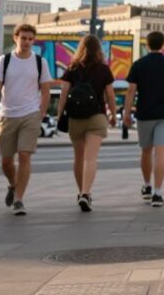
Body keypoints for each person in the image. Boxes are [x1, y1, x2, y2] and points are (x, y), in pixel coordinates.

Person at [0, 24, 52, 216]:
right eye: (23, 38)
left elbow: (46, 89)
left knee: (25, 155)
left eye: (30, 39)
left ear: (34, 41)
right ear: (15, 38)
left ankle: (19, 199)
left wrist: (41, 111)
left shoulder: (40, 62)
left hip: (30, 114)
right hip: (7, 114)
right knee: (6, 161)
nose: (26, 42)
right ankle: (12, 184)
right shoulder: (4, 60)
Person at [56, 35, 117, 212]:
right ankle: (85, 192)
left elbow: (64, 93)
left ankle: (80, 191)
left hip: (75, 118)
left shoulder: (72, 68)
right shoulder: (104, 70)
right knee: (91, 158)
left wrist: (60, 114)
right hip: (96, 117)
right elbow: (110, 96)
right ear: (99, 49)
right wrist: (113, 114)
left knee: (78, 157)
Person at [124, 31, 164, 207]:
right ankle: (158, 193)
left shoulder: (138, 65)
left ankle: (147, 185)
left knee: (145, 151)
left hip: (144, 113)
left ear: (147, 45)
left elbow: (131, 91)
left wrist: (127, 113)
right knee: (161, 152)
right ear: (163, 44)